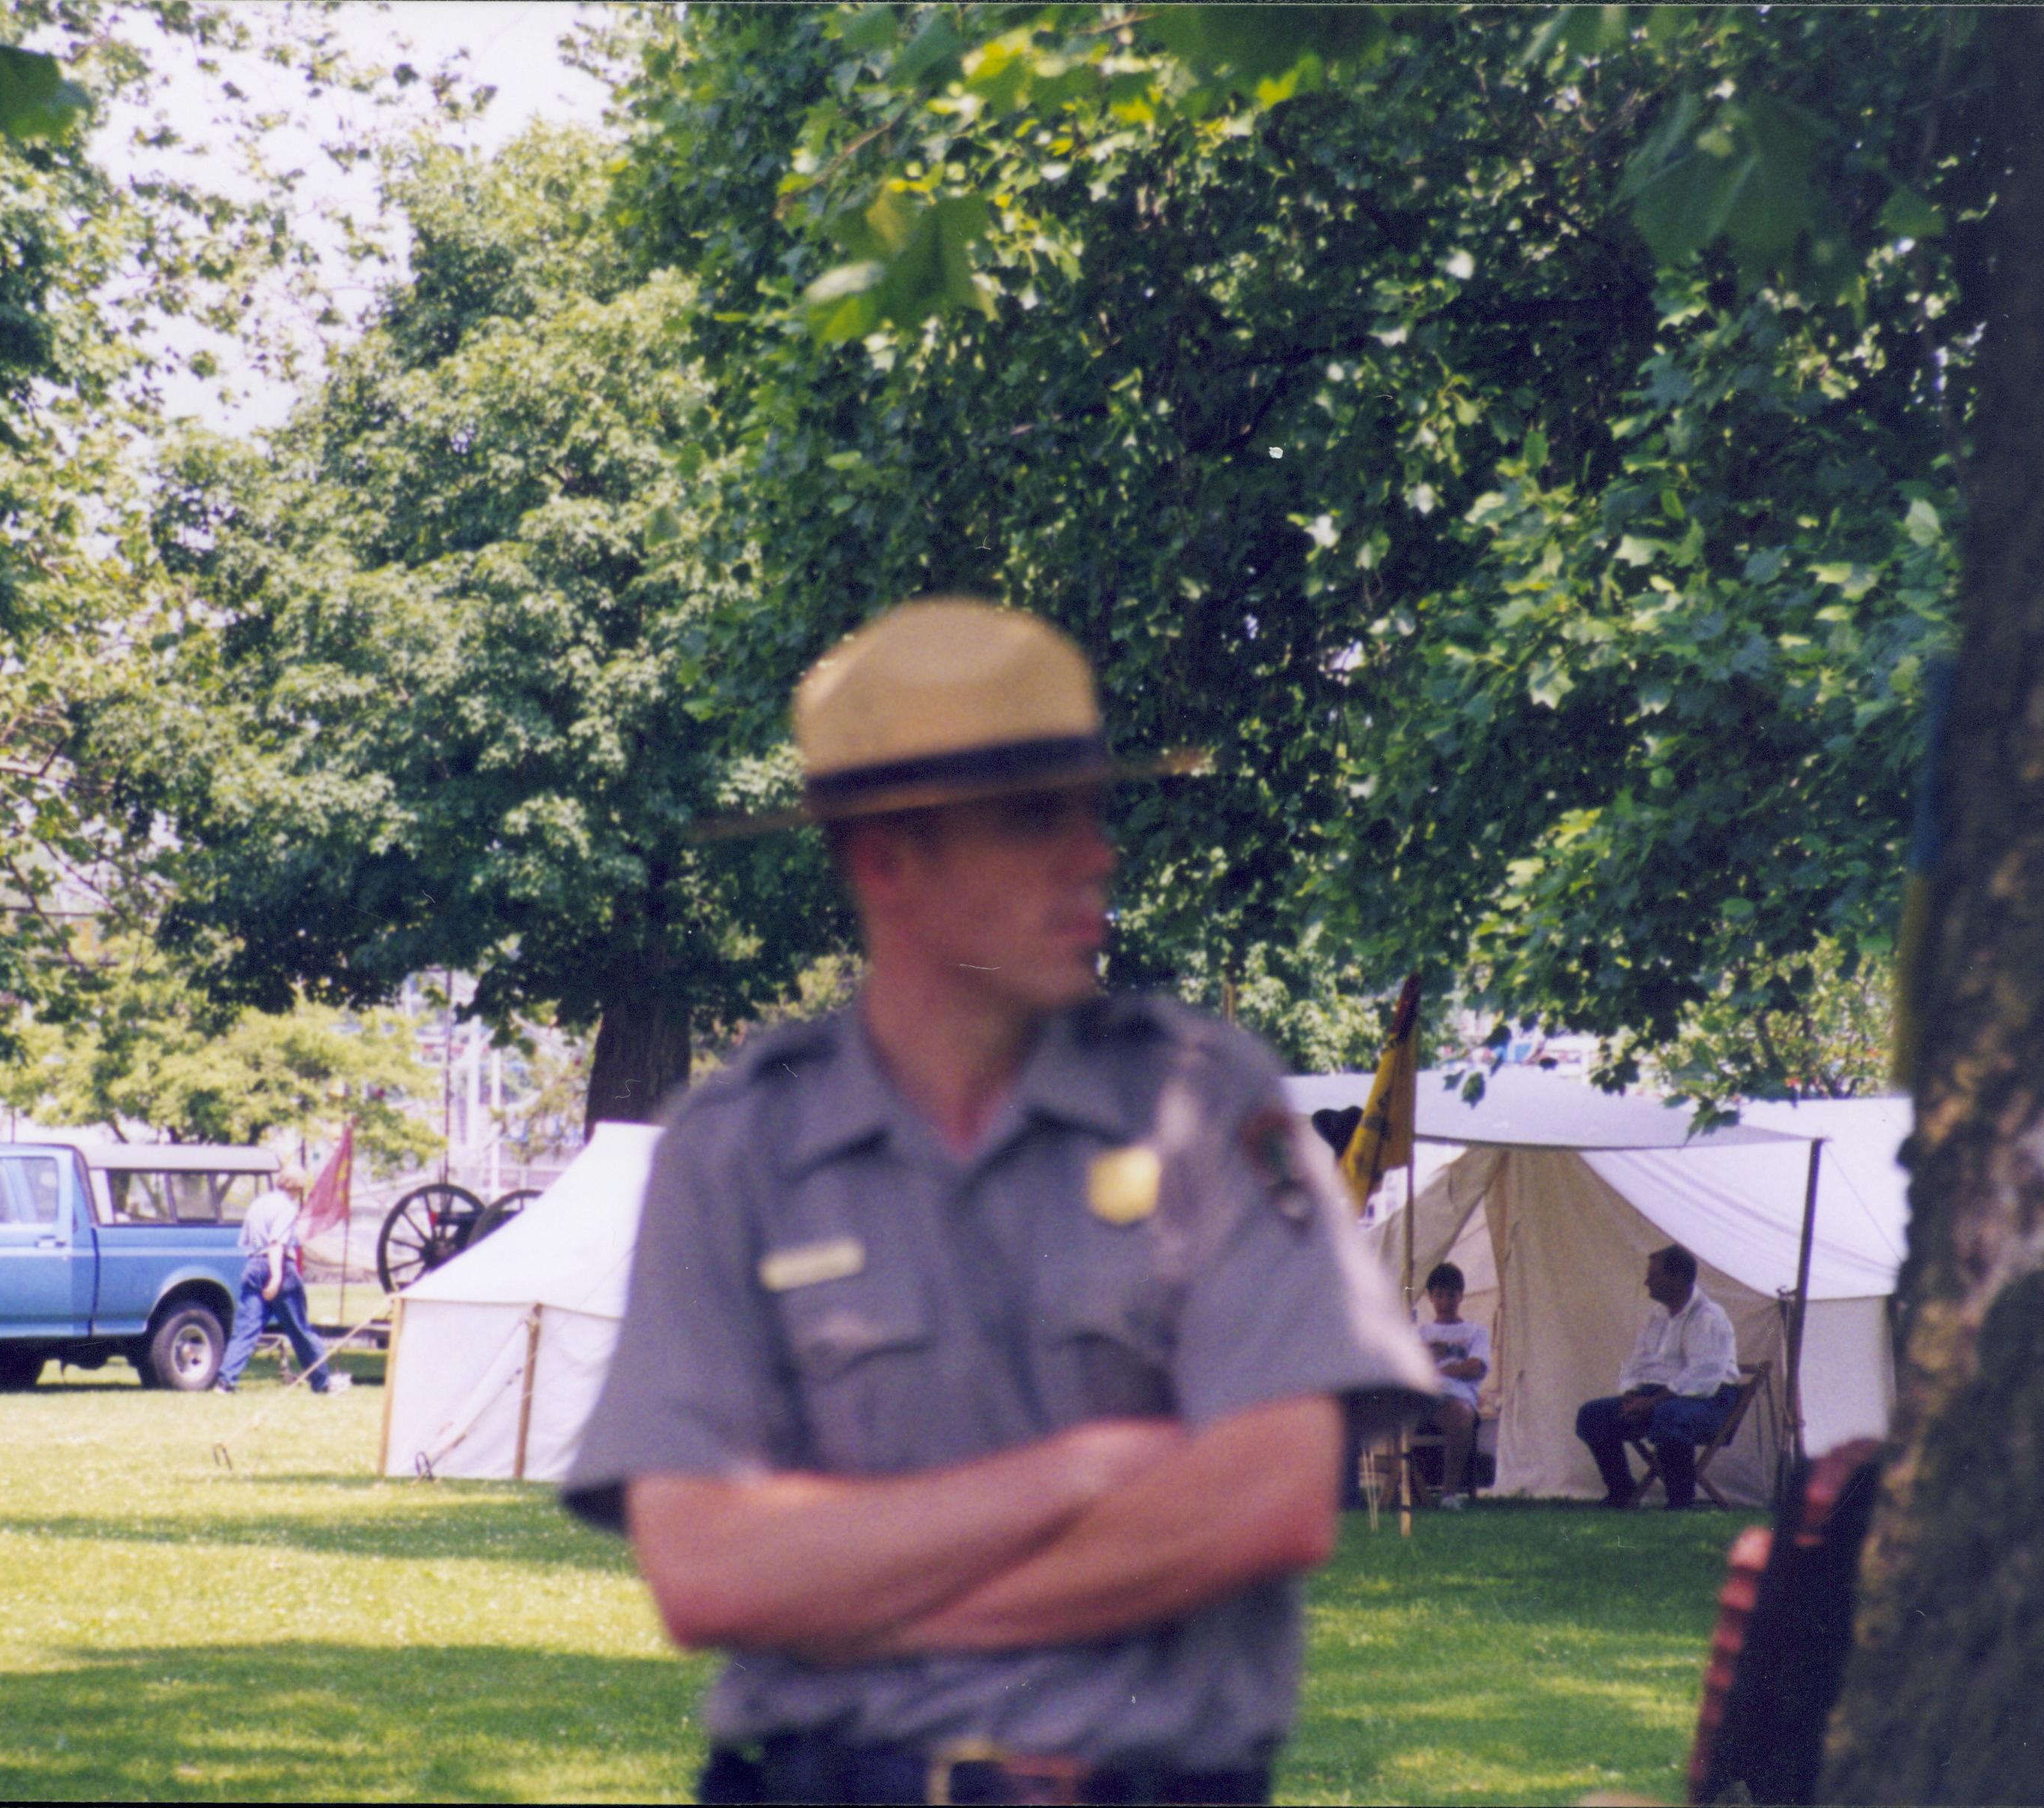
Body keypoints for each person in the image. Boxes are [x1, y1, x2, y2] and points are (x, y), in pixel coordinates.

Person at [563, 596, 1439, 1806]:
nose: (1094, 852)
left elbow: (1269, 1502)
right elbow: (708, 1573)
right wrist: (1079, 1470)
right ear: (888, 860)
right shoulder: (738, 1148)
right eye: (1035, 818)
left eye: (1092, 808)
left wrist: (845, 1581)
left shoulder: (1201, 1101)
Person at [1573, 1244, 1741, 1508]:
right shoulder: (1657, 1316)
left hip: (1708, 1402)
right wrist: (1630, 1395)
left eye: (1654, 1275)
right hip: (1659, 1397)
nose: (1646, 1282)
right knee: (1593, 1415)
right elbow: (1637, 1364)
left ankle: (1681, 1500)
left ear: (1679, 1278)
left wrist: (1651, 1403)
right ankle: (1622, 1491)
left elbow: (1702, 1376)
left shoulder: (1708, 1316)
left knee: (1669, 1415)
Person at [217, 1163, 349, 1395]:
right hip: (278, 1267)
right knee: (299, 1329)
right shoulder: (286, 1208)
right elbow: (277, 1243)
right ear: (297, 1189)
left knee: (246, 1330)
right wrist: (276, 1277)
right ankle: (323, 1381)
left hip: (253, 1265)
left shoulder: (258, 1204)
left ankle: (226, 1382)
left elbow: (246, 1241)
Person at [1413, 1261, 1489, 1508]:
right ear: (1430, 1298)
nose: (1445, 1302)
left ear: (1461, 1296)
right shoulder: (1420, 1333)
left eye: (1451, 1295)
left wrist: (1440, 1368)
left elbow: (1476, 1367)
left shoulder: (1476, 1332)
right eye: (1440, 1295)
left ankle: (1449, 1494)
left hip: (1458, 1398)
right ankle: (1409, 1486)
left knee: (1461, 1413)